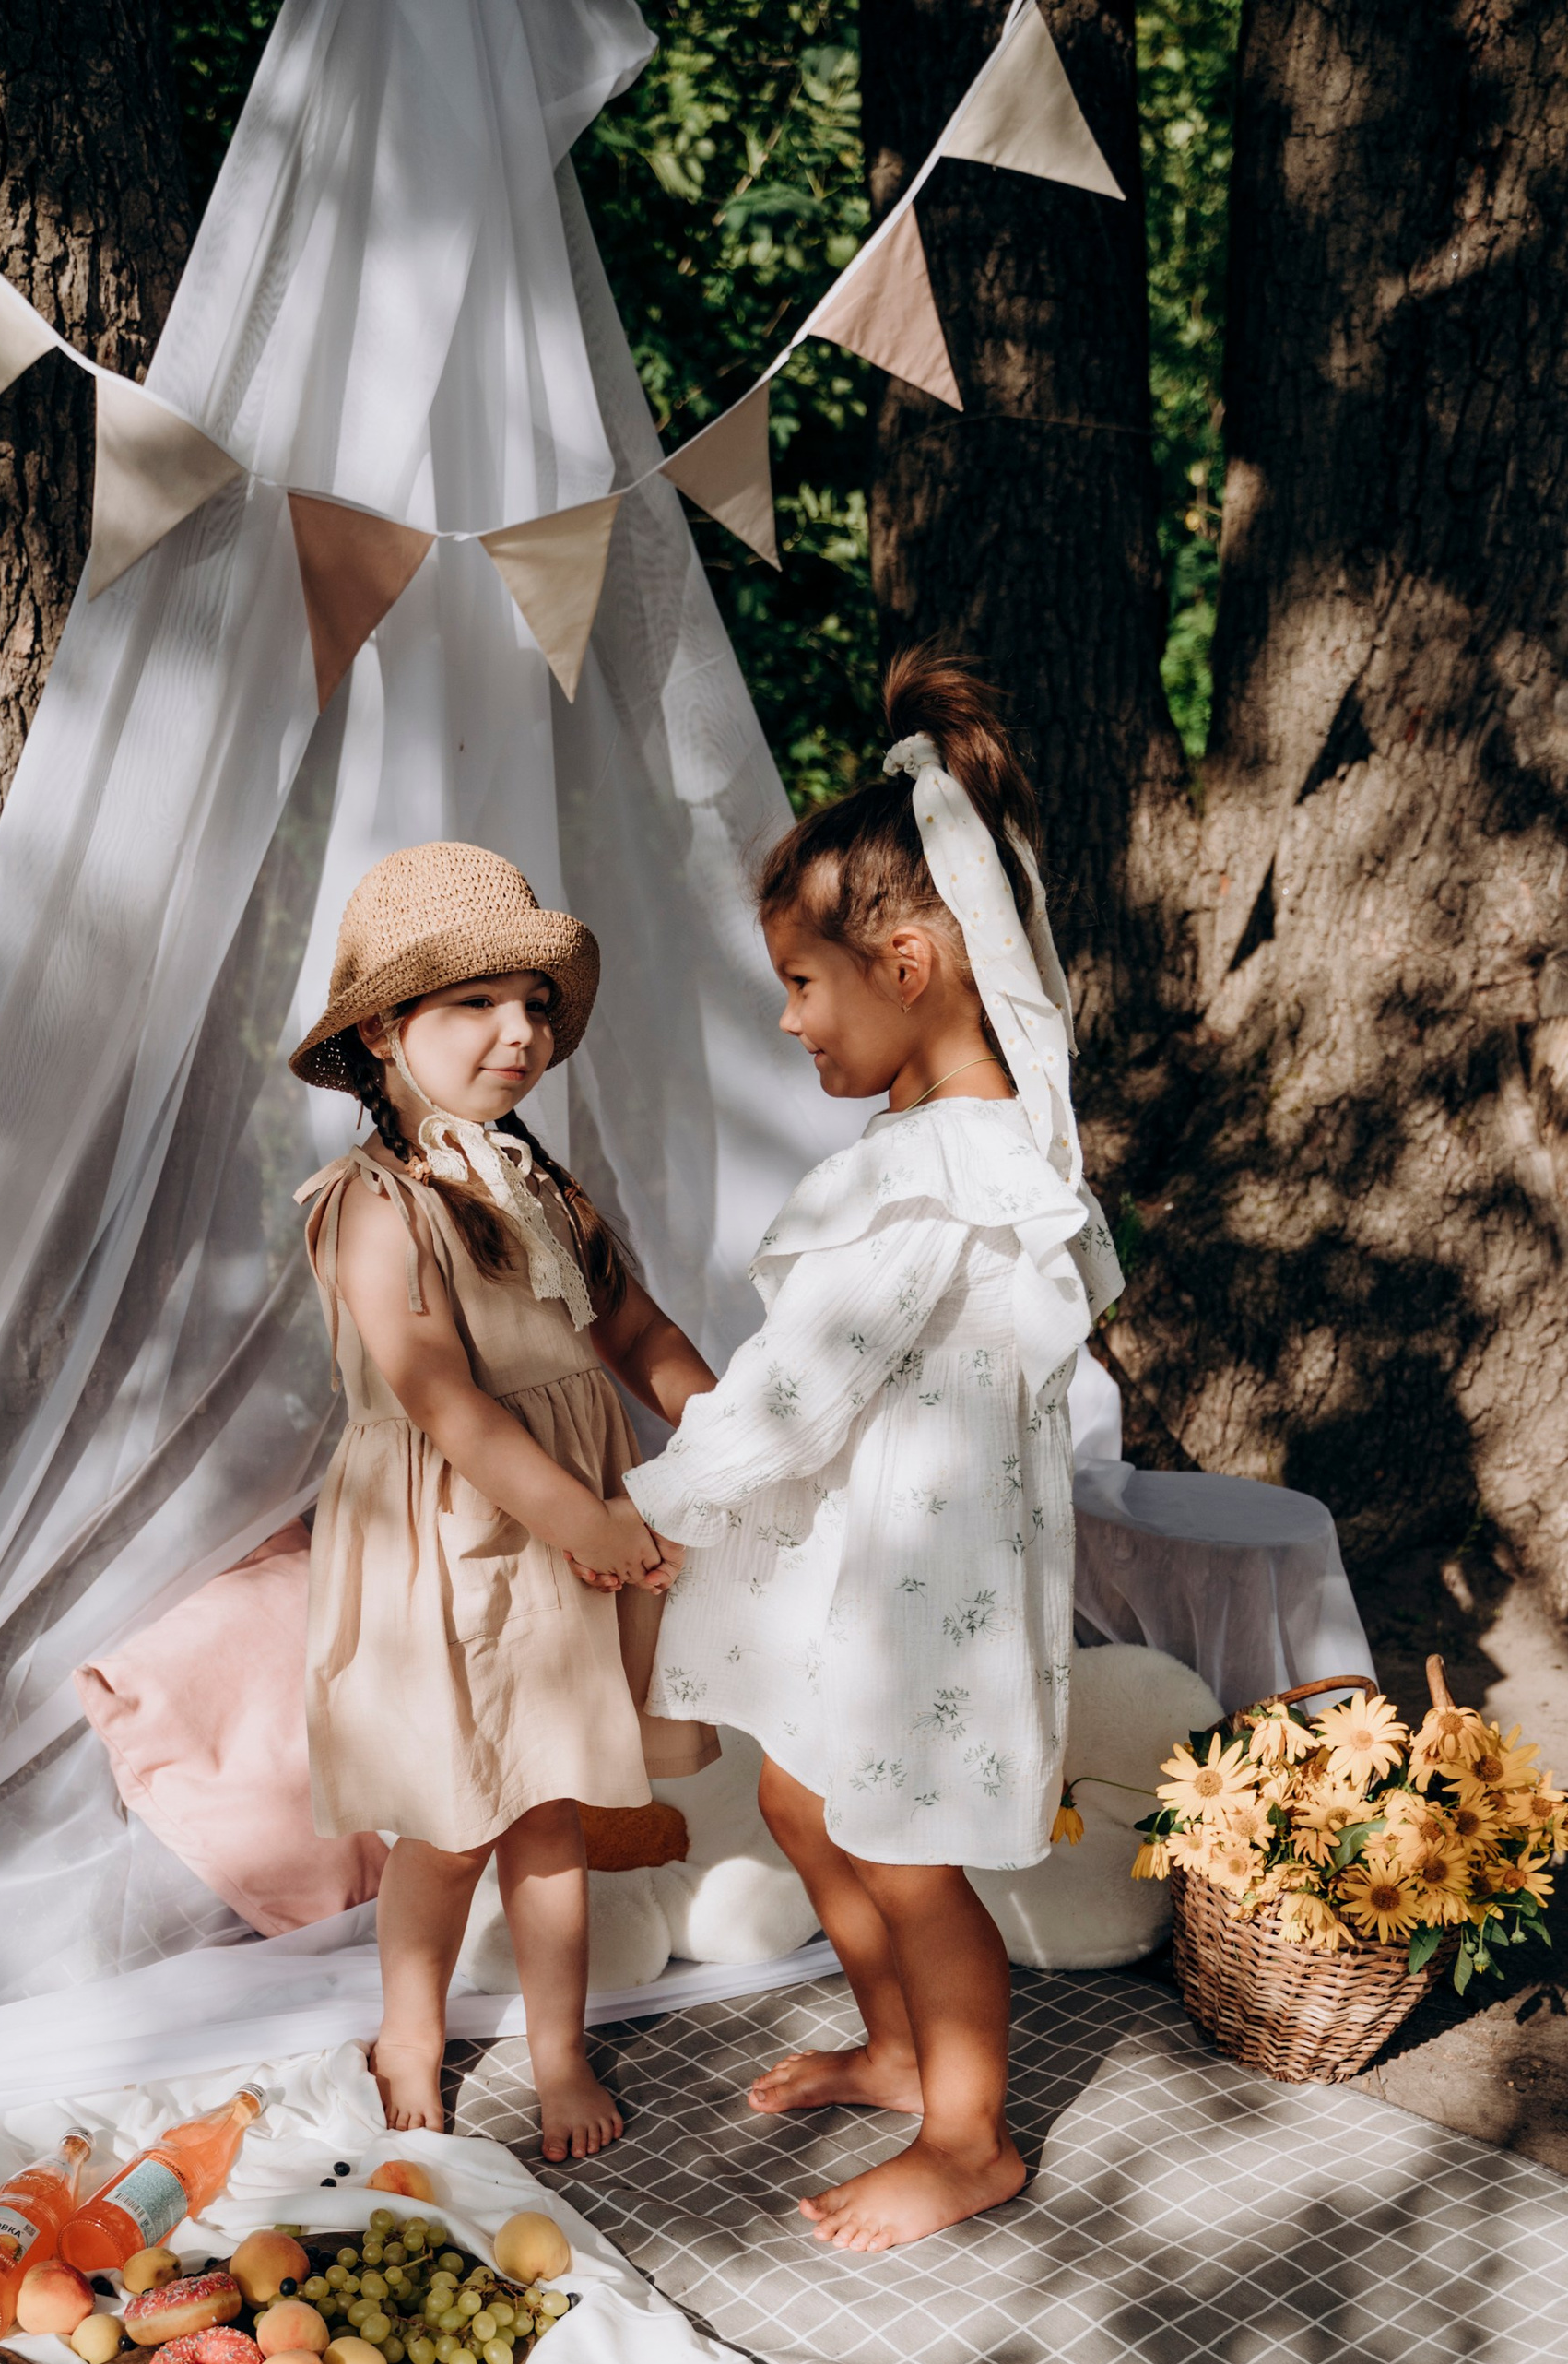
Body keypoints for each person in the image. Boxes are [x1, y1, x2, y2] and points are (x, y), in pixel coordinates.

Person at [623, 648, 1124, 2252]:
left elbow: (796, 1393)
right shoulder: (941, 1140)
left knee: (907, 1860)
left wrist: (648, 1505)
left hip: (928, 1593)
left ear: (907, 961)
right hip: (875, 1562)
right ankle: (898, 2045)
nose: (786, 1019)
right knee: (800, 1800)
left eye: (802, 983)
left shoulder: (943, 1173)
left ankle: (970, 2137)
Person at [290, 843, 717, 2161]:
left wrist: (726, 1437)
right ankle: (410, 2031)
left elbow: (636, 1329)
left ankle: (558, 2050)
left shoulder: (535, 1183)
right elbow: (442, 1398)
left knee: (552, 1805)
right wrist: (588, 1522)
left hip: (567, 1533)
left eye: (533, 1004)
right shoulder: (375, 1205)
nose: (519, 1031)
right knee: (453, 1816)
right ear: (382, 1029)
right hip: (459, 1536)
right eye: (475, 1002)